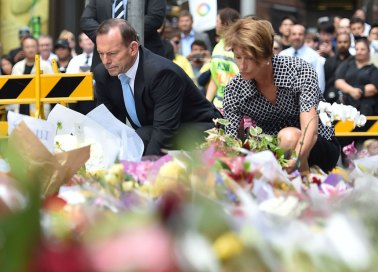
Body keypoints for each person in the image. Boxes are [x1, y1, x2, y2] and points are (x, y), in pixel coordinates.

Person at [222, 17, 340, 174]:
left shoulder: (298, 70)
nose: (242, 65)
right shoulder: (234, 89)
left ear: (266, 54)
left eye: (249, 58)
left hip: (316, 146)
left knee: (289, 136)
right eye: (238, 57)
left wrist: (294, 160)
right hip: (272, 151)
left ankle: (303, 190)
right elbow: (231, 139)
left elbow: (310, 130)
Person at [94, 19, 222, 156]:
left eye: (112, 53)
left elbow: (163, 132)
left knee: (141, 137)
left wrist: (144, 170)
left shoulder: (162, 74)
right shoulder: (103, 74)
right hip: (157, 130)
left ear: (133, 48)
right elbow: (108, 127)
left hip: (203, 130)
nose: (106, 61)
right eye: (101, 53)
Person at [80, 0, 167, 71]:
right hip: (104, 66)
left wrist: (122, 37)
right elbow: (86, 20)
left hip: (144, 55)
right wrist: (108, 38)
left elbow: (155, 17)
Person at [206, 7, 240, 108]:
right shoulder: (217, 47)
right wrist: (207, 103)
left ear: (225, 24)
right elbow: (214, 78)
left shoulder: (241, 48)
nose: (215, 25)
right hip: (218, 106)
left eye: (217, 21)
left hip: (238, 108)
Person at [335, 37, 378, 115]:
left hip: (367, 109)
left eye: (362, 49)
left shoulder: (373, 69)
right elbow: (339, 81)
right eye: (357, 49)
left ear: (368, 51)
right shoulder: (347, 64)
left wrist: (359, 91)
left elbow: (374, 88)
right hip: (346, 107)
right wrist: (352, 91)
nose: (359, 52)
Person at [11, 36, 53, 115]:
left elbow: (52, 88)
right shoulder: (17, 67)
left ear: (37, 48)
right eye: (27, 47)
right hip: (20, 109)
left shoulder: (46, 65)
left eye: (33, 46)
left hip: (40, 110)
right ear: (23, 49)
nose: (30, 50)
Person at [279, 24, 326, 93]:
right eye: (294, 34)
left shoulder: (314, 56)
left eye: (300, 34)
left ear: (304, 36)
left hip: (307, 99)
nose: (297, 37)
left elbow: (320, 81)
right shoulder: (282, 55)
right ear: (290, 36)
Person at [323, 32, 351, 103]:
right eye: (340, 42)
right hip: (331, 98)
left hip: (350, 97)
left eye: (345, 42)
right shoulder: (329, 62)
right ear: (336, 43)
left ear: (350, 43)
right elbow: (325, 82)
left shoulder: (354, 62)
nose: (342, 44)